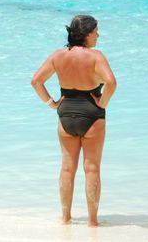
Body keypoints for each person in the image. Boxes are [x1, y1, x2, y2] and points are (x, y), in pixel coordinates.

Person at [31, 15, 116, 227]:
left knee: (67, 168)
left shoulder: (58, 56)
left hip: (66, 113)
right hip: (92, 114)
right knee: (92, 168)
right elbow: (111, 83)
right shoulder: (96, 56)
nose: (98, 34)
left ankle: (66, 218)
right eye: (96, 31)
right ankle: (93, 222)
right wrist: (103, 102)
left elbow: (36, 81)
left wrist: (52, 103)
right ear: (87, 34)